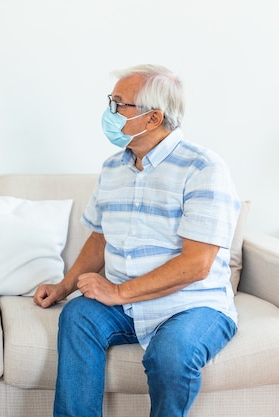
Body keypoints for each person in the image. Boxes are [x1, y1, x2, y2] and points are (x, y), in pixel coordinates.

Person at [34, 64, 240, 417]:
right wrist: (64, 286)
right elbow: (100, 238)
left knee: (171, 355)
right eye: (109, 102)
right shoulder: (114, 167)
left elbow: (196, 265)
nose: (108, 113)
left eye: (118, 105)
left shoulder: (204, 168)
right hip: (126, 306)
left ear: (153, 118)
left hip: (192, 304)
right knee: (78, 315)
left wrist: (118, 292)